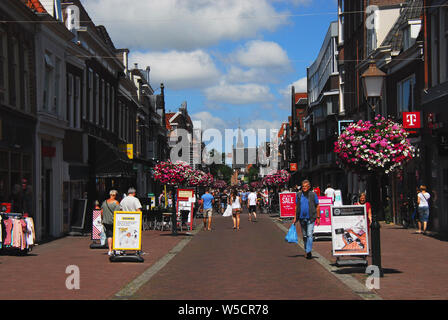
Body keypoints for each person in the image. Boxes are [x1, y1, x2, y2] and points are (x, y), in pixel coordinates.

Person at [293, 180, 320, 260]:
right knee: (304, 236)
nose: (304, 188)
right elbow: (296, 206)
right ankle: (307, 250)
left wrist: (318, 217)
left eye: (306, 186)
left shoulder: (313, 195)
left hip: (311, 218)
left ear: (309, 187)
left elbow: (317, 206)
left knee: (309, 234)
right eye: (303, 186)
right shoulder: (298, 195)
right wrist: (295, 217)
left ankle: (309, 250)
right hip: (301, 218)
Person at [101, 190, 121, 256]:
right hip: (114, 221)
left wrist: (103, 219)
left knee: (109, 235)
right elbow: (118, 213)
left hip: (106, 221)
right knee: (116, 235)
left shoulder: (104, 202)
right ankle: (116, 249)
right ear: (115, 195)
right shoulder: (116, 203)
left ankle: (110, 250)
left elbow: (101, 212)